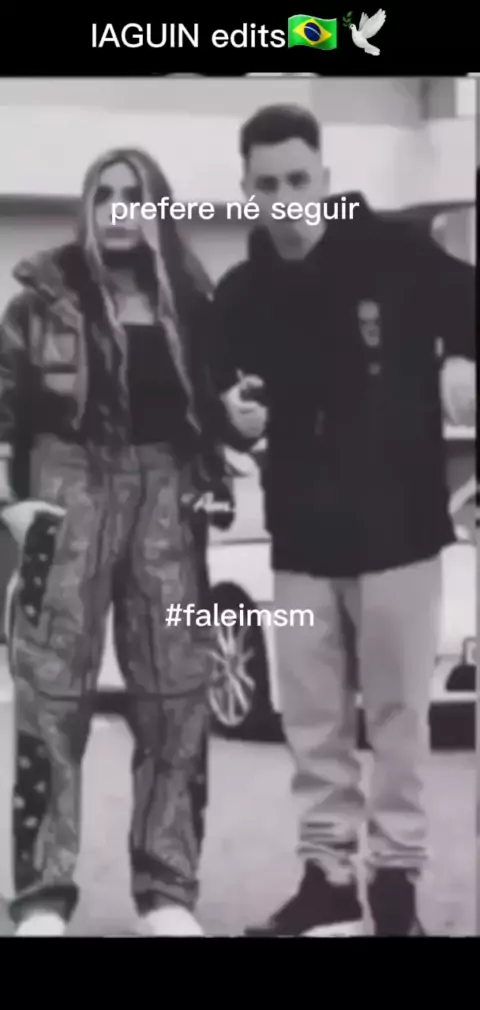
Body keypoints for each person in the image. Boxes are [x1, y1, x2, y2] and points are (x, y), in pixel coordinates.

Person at [209, 105, 475, 937]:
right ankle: (328, 879)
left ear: (323, 178)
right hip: (299, 547)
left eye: (299, 178)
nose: (285, 196)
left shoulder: (396, 256)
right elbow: (215, 395)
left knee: (397, 718)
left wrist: (464, 357)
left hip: (400, 536)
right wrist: (230, 419)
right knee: (312, 722)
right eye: (267, 183)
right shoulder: (241, 294)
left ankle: (395, 884)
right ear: (247, 190)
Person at [0, 147, 233, 937]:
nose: (121, 208)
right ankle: (42, 896)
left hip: (167, 505)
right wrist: (12, 508)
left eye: (136, 194)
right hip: (66, 496)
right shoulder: (38, 303)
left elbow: (221, 411)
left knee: (176, 701)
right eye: (106, 195)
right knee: (50, 704)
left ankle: (166, 892)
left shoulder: (193, 304)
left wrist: (228, 450)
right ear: (88, 207)